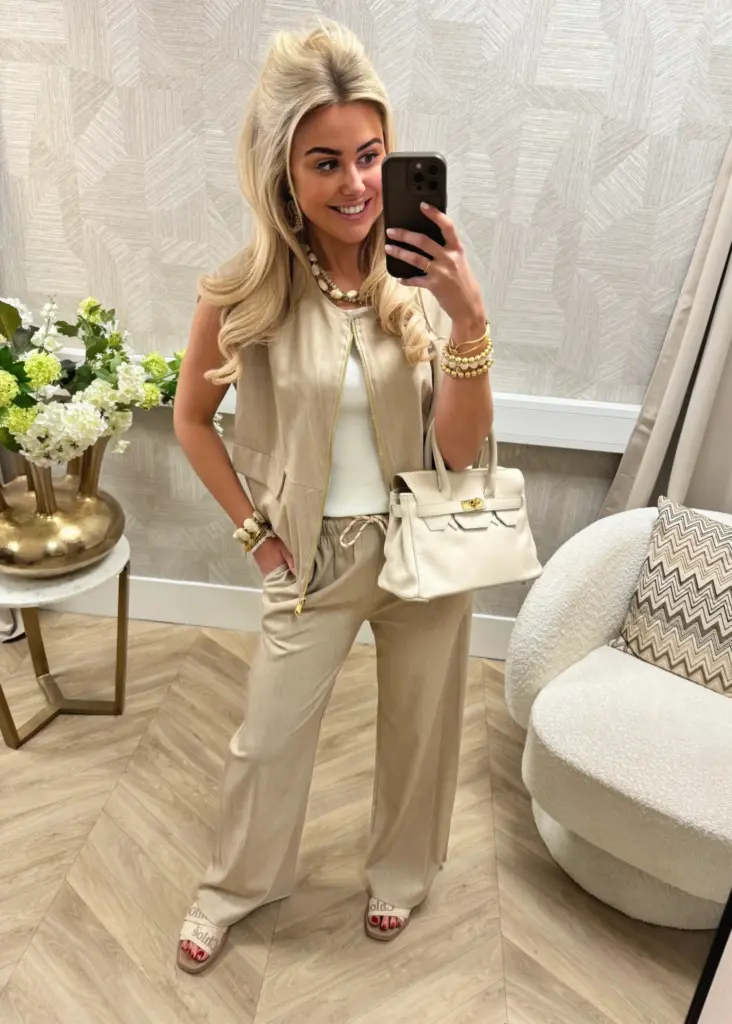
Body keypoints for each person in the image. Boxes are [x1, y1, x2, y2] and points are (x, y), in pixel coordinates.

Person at [173, 20, 494, 972]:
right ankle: (235, 886)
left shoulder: (421, 278)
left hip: (424, 545)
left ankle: (402, 875)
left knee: (420, 731)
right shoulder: (244, 292)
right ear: (284, 171)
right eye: (326, 162)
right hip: (312, 557)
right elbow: (191, 421)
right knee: (267, 741)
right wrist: (256, 538)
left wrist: (469, 322)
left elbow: (457, 449)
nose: (356, 184)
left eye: (370, 155)